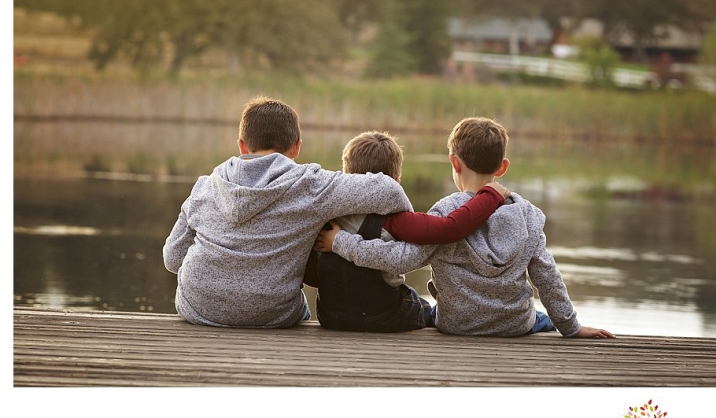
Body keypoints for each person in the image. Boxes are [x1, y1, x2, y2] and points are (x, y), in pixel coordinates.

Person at [316, 117, 615, 339]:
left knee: (421, 307)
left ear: (454, 163)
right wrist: (571, 326)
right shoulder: (528, 215)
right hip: (515, 325)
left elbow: (402, 258)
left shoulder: (445, 211)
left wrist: (342, 242)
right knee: (538, 317)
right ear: (503, 167)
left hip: (456, 324)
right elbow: (546, 275)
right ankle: (545, 320)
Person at [163, 95, 422, 329]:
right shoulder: (309, 185)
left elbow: (173, 259)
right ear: (296, 147)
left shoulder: (204, 186)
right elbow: (388, 190)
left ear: (242, 146)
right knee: (306, 311)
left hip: (197, 309)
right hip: (273, 315)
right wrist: (403, 227)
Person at [304, 130, 510, 333]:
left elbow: (312, 274)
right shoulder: (397, 221)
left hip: (331, 316)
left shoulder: (327, 219)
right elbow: (450, 228)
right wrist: (490, 195)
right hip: (385, 317)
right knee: (423, 307)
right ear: (396, 182)